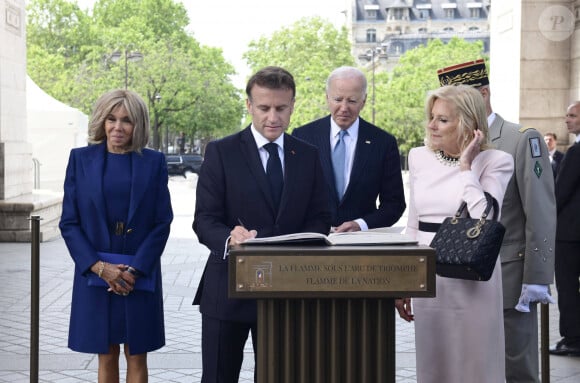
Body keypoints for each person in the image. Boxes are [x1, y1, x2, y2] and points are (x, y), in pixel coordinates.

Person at [192, 66, 331, 382]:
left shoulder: (307, 155)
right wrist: (229, 237)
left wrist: (298, 244)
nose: (273, 117)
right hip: (227, 291)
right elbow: (204, 219)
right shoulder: (221, 151)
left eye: (281, 108)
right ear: (249, 106)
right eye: (264, 108)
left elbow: (321, 217)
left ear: (293, 105)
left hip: (286, 292)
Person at [437, 59, 556, 382]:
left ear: (483, 93)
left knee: (515, 367)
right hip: (457, 276)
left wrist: (538, 276)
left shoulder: (520, 139)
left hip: (507, 276)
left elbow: (540, 211)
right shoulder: (444, 142)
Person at [395, 84, 514, 382]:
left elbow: (485, 215)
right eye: (432, 117)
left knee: (475, 363)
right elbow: (414, 222)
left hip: (473, 276)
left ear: (468, 124)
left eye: (443, 119)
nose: (431, 125)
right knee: (434, 363)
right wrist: (404, 281)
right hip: (429, 275)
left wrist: (466, 167)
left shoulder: (496, 161)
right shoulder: (418, 156)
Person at [59, 89, 173, 382]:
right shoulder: (80, 160)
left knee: (137, 354)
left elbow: (162, 222)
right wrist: (100, 269)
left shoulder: (154, 162)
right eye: (111, 119)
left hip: (140, 273)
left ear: (138, 125)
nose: (117, 127)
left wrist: (134, 270)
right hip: (95, 272)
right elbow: (69, 223)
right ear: (101, 121)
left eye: (126, 120)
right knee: (106, 353)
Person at [292, 66, 406, 232]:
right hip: (313, 242)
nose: (344, 108)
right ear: (327, 98)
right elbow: (292, 197)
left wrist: (361, 224)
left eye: (352, 101)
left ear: (364, 101)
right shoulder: (302, 137)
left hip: (362, 245)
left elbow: (394, 204)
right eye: (338, 99)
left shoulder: (383, 142)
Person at [551, 101, 580, 356]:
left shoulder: (575, 152)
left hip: (569, 235)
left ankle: (572, 338)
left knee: (568, 287)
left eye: (572, 115)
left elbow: (560, 193)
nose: (566, 120)